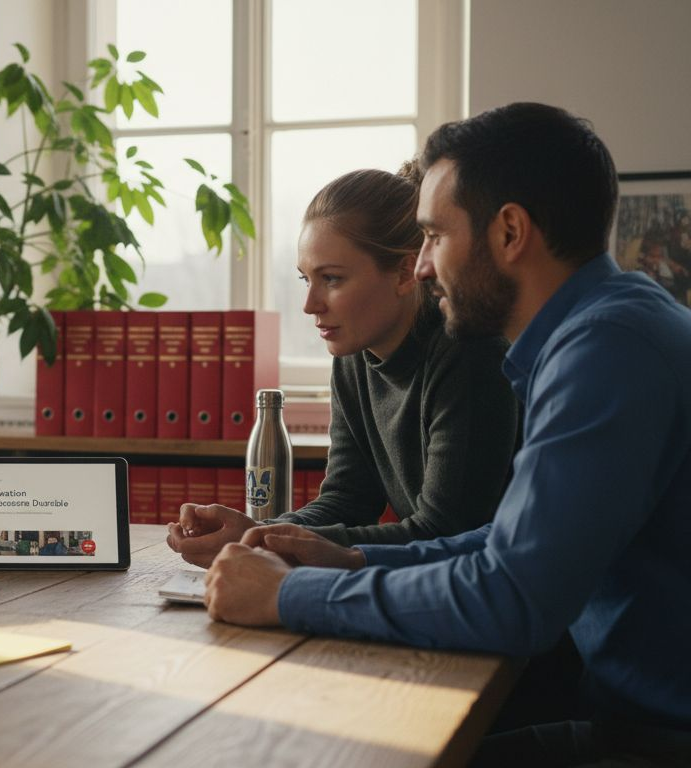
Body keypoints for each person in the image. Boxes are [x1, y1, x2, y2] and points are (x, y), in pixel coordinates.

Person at [201, 103, 691, 766]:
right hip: (626, 722)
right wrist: (352, 559)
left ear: (510, 232)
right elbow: (511, 543)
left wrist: (289, 594)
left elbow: (513, 596)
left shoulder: (607, 350)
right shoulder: (603, 329)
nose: (423, 267)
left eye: (434, 236)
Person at [168, 166, 518, 566]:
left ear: (405, 273)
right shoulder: (353, 355)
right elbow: (347, 499)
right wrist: (255, 533)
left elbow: (442, 532)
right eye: (306, 280)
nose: (310, 304)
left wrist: (267, 542)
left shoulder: (470, 354)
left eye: (331, 279)